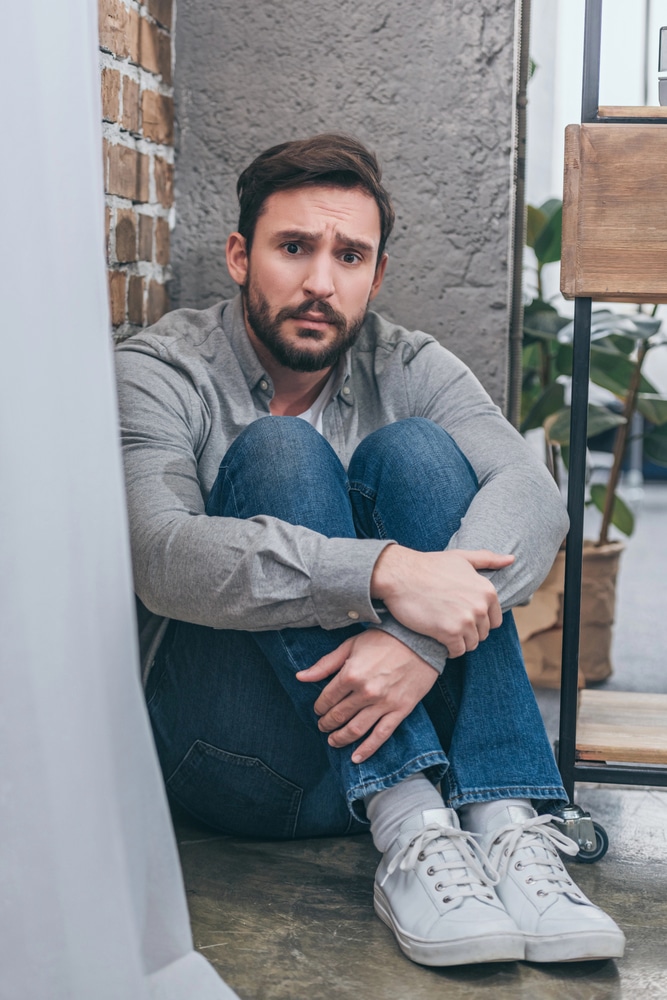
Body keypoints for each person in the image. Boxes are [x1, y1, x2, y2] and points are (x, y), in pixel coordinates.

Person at [115, 134, 625, 968]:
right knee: (279, 452)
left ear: (376, 274)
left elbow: (531, 495)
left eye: (349, 256)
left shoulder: (405, 362)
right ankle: (411, 821)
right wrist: (385, 573)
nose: (321, 282)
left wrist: (414, 642)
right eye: (294, 248)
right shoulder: (163, 369)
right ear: (241, 256)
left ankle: (501, 820)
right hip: (240, 763)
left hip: (419, 745)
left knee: (421, 452)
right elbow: (158, 552)